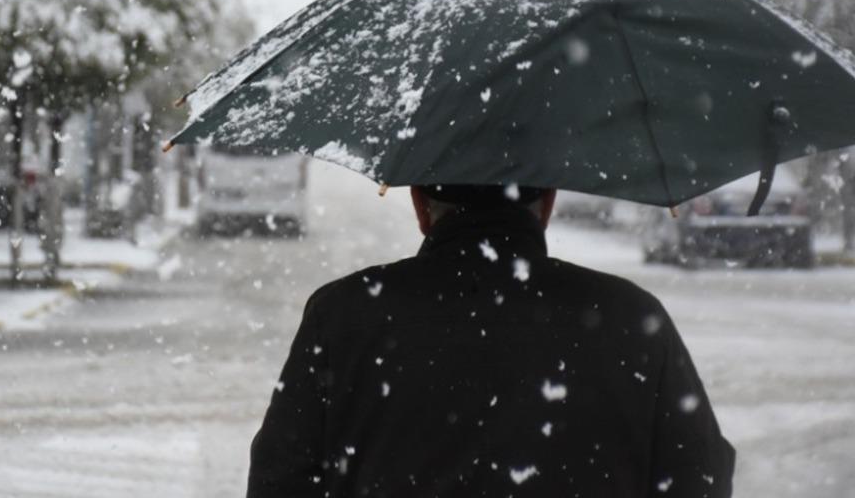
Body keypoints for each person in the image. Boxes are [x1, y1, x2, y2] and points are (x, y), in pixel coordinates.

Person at [247, 184, 735, 497]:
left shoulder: (344, 314)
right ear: (546, 205)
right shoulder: (633, 318)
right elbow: (701, 477)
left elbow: (279, 480)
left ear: (421, 205)